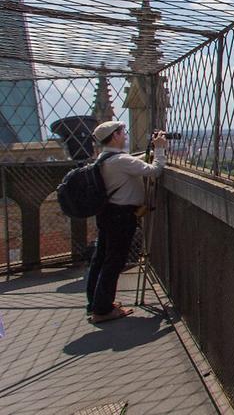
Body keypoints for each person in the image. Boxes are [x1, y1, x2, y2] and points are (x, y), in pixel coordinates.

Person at [85, 120, 167, 323]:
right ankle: (102, 311)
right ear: (114, 136)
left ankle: (95, 303)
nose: (125, 135)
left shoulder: (104, 158)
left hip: (107, 214)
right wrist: (160, 150)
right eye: (122, 132)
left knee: (101, 258)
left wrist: (145, 154)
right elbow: (155, 170)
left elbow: (128, 162)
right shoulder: (120, 161)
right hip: (121, 217)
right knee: (114, 261)